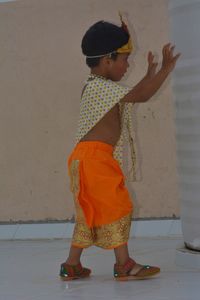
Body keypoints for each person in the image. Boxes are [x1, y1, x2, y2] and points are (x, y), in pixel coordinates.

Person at [59, 17, 180, 281]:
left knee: (88, 212)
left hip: (88, 158)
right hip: (93, 160)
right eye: (125, 59)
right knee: (117, 205)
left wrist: (150, 76)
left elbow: (136, 93)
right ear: (107, 61)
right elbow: (142, 95)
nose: (128, 65)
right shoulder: (100, 88)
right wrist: (165, 69)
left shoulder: (99, 87)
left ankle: (71, 265)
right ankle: (124, 264)